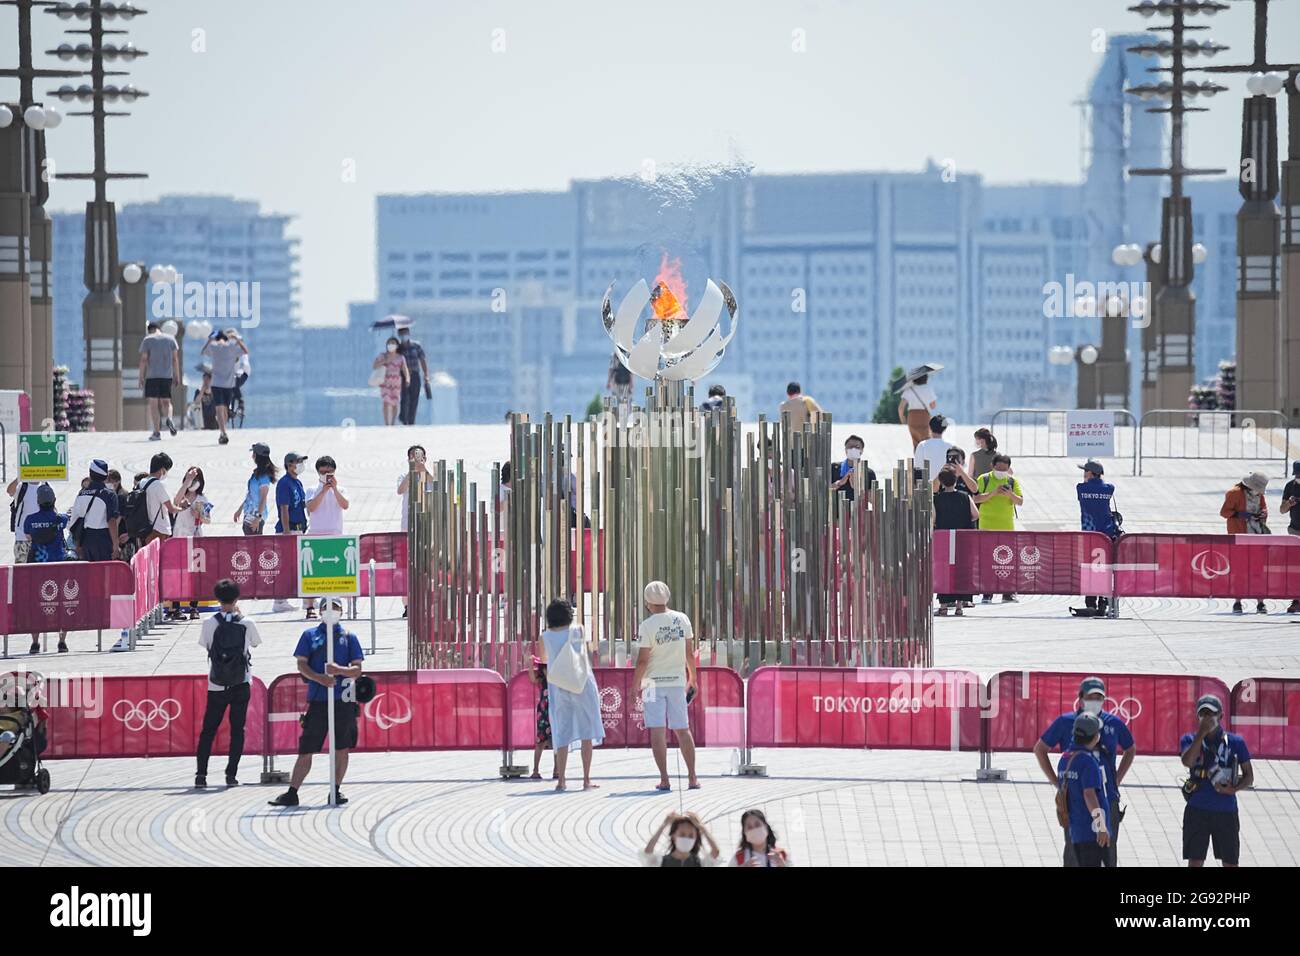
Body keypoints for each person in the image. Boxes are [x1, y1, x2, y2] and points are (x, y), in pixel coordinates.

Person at [268, 597, 364, 807]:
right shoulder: (310, 635)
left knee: (342, 747)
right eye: (327, 608)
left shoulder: (349, 637)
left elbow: (357, 669)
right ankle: (292, 792)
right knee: (307, 748)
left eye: (335, 608)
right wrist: (319, 677)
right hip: (318, 701)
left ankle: (335, 790)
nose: (331, 611)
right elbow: (301, 664)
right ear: (320, 611)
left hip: (343, 701)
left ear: (341, 611)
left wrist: (339, 670)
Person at [1034, 677, 1134, 866]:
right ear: (1080, 698)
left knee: (1107, 850)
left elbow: (1131, 749)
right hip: (1077, 799)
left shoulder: (1113, 722)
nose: (1095, 701)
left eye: (1099, 697)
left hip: (1107, 795)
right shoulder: (1066, 723)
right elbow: (1040, 749)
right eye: (1091, 697)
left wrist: (1117, 779)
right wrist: (1057, 783)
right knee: (1074, 850)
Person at [631, 580, 699, 792]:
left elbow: (642, 660)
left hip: (651, 683)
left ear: (648, 602)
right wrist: (693, 678)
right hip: (677, 680)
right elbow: (689, 654)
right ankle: (692, 777)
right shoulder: (682, 619)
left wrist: (635, 685)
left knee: (657, 730)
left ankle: (665, 778)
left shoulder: (647, 626)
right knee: (683, 729)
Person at [195, 578, 262, 788]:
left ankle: (201, 775)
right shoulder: (247, 622)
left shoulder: (209, 623)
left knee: (208, 730)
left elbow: (206, 645)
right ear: (237, 598)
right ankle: (231, 775)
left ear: (217, 598)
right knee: (237, 729)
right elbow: (255, 643)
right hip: (241, 682)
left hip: (216, 684)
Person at [1180, 694, 1253, 868]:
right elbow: (1188, 761)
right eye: (1203, 713)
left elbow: (1249, 776)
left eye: (1211, 714)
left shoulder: (1235, 742)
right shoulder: (1189, 739)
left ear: (1220, 716)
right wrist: (1201, 735)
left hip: (1225, 810)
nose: (1206, 718)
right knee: (1195, 861)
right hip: (1197, 808)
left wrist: (1234, 790)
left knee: (1230, 861)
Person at [538, 599, 603, 791]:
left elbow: (543, 659)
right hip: (582, 683)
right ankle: (586, 779)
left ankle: (562, 780)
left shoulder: (545, 636)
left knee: (562, 731)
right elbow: (584, 653)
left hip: (558, 686)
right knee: (586, 732)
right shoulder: (578, 630)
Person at [1056, 711, 1112, 868]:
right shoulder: (1088, 762)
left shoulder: (1065, 758)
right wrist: (1101, 826)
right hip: (1092, 832)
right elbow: (1089, 795)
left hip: (1077, 829)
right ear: (1094, 737)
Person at [22, 483, 69, 654]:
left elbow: (28, 536)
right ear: (53, 500)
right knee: (62, 604)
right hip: (58, 567)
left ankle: (35, 643)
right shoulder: (60, 519)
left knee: (36, 605)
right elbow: (65, 522)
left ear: (38, 501)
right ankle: (62, 642)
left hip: (37, 568)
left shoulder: (30, 520)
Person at [973, 453, 1022, 603]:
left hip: (1006, 527)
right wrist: (994, 493)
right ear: (992, 466)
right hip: (986, 526)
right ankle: (987, 592)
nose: (1001, 471)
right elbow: (976, 498)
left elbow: (1020, 501)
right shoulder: (984, 479)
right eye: (999, 468)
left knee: (1007, 560)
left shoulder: (1012, 481)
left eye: (1004, 469)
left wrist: (1010, 494)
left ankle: (1008, 591)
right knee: (987, 559)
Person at [1221, 472, 1270, 614]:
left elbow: (1264, 508)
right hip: (1239, 537)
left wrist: (1263, 514)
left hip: (1256, 537)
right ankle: (1237, 602)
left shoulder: (1259, 495)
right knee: (1239, 571)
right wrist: (1240, 515)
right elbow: (1224, 512)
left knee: (1258, 570)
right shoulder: (1234, 493)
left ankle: (1261, 602)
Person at [1074, 461, 1119, 614]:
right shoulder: (1109, 489)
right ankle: (1103, 601)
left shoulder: (1081, 488)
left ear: (1091, 473)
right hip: (1106, 535)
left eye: (1085, 471)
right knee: (1105, 569)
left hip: (1089, 535)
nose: (1083, 474)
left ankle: (1090, 602)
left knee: (1090, 569)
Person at [933, 470, 979, 615]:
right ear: (956, 480)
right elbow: (976, 515)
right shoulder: (965, 496)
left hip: (944, 539)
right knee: (961, 570)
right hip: (962, 538)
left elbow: (933, 519)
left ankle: (944, 606)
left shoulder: (937, 499)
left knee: (944, 571)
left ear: (941, 482)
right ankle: (959, 606)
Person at [167, 466, 209, 621]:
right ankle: (176, 607)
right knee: (177, 573)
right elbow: (175, 502)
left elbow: (207, 519)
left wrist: (198, 514)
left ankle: (194, 607)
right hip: (178, 537)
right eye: (190, 479)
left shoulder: (202, 499)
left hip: (195, 538)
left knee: (195, 574)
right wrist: (186, 482)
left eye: (196, 480)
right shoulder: (181, 495)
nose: (193, 483)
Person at [272, 452, 311, 615]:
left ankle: (307, 598)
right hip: (288, 529)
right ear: (289, 464)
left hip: (300, 528)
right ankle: (279, 600)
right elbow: (284, 509)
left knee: (300, 565)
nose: (301, 465)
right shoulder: (284, 483)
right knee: (287, 566)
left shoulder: (298, 483)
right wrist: (287, 533)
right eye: (298, 462)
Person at [201, 328, 248, 445]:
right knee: (223, 409)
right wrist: (237, 338)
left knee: (220, 409)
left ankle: (223, 431)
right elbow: (245, 351)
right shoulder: (231, 348)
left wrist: (210, 339)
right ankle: (223, 431)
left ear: (217, 339)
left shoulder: (214, 347)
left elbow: (203, 351)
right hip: (229, 384)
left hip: (216, 384)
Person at [68, 459, 120, 562]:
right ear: (105, 477)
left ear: (90, 474)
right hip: (103, 538)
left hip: (86, 539)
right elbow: (112, 521)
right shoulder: (109, 494)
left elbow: (74, 521)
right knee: (105, 572)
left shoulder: (82, 494)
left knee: (90, 573)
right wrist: (115, 545)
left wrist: (78, 544)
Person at [138, 320, 180, 440]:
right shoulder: (171, 339)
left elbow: (144, 359)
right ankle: (169, 419)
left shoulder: (148, 340)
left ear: (149, 330)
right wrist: (177, 375)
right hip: (167, 376)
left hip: (152, 377)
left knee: (153, 405)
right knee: (167, 403)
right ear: (159, 328)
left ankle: (156, 432)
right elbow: (175, 359)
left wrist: (140, 376)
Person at [640, 811, 722, 867]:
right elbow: (648, 852)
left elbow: (715, 852)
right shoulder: (662, 862)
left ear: (695, 838)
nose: (686, 839)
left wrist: (701, 827)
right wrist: (664, 825)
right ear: (673, 835)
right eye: (682, 834)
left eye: (691, 836)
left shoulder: (700, 863)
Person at [235, 443, 276, 536]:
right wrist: (240, 510)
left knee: (254, 545)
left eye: (254, 453)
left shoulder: (263, 477)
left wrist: (258, 517)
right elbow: (250, 495)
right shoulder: (256, 474)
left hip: (255, 516)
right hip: (249, 514)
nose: (252, 456)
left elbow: (263, 498)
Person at [140, 452, 179, 546]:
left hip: (146, 528)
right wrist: (183, 507)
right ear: (162, 469)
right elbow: (171, 509)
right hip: (159, 529)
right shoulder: (158, 485)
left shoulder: (143, 482)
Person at [397, 325, 431, 426]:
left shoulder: (416, 346)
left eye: (406, 333)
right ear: (399, 335)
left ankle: (411, 421)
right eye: (402, 334)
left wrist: (426, 375)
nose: (404, 336)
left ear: (409, 334)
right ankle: (404, 418)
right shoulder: (398, 349)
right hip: (403, 376)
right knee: (404, 398)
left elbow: (422, 360)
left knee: (414, 399)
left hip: (415, 375)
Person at [527, 651, 552, 781]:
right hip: (543, 712)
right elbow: (532, 678)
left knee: (557, 742)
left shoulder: (558, 679)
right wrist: (530, 666)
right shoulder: (541, 679)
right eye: (545, 667)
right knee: (540, 741)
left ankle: (557, 770)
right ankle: (535, 770)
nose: (547, 670)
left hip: (555, 711)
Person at [373, 335, 409, 426]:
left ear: (397, 345)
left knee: (395, 403)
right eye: (389, 343)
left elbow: (405, 369)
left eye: (392, 343)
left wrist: (407, 378)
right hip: (385, 381)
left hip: (396, 382)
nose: (390, 345)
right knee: (385, 401)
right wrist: (385, 361)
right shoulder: (382, 355)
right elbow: (374, 366)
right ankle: (386, 423)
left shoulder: (401, 357)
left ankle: (392, 422)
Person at [7, 475, 42, 564]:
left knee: (39, 568)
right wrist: (20, 476)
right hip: (22, 536)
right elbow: (10, 491)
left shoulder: (45, 485)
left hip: (40, 537)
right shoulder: (22, 486)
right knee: (20, 567)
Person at [898, 373, 939, 449]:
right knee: (926, 443)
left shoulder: (909, 390)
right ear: (925, 379)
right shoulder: (928, 389)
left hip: (912, 418)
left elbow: (901, 408)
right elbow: (933, 406)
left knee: (916, 443)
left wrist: (903, 420)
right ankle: (925, 459)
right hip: (924, 417)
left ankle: (917, 459)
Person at [832, 435, 877, 503]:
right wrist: (840, 483)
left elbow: (873, 500)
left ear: (862, 450)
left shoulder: (868, 472)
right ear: (845, 450)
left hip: (858, 510)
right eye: (850, 447)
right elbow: (824, 491)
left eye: (857, 447)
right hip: (836, 510)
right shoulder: (834, 467)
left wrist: (857, 487)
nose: (853, 449)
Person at [1281, 461, 1300, 613]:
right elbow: (1282, 510)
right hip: (1294, 531)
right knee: (1296, 566)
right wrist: (1289, 503)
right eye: (1297, 475)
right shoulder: (1290, 486)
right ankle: (1296, 599)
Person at [913, 415, 953, 483]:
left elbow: (917, 467)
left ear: (930, 427)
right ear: (945, 429)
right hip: (945, 484)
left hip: (926, 485)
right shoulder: (950, 446)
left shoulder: (922, 445)